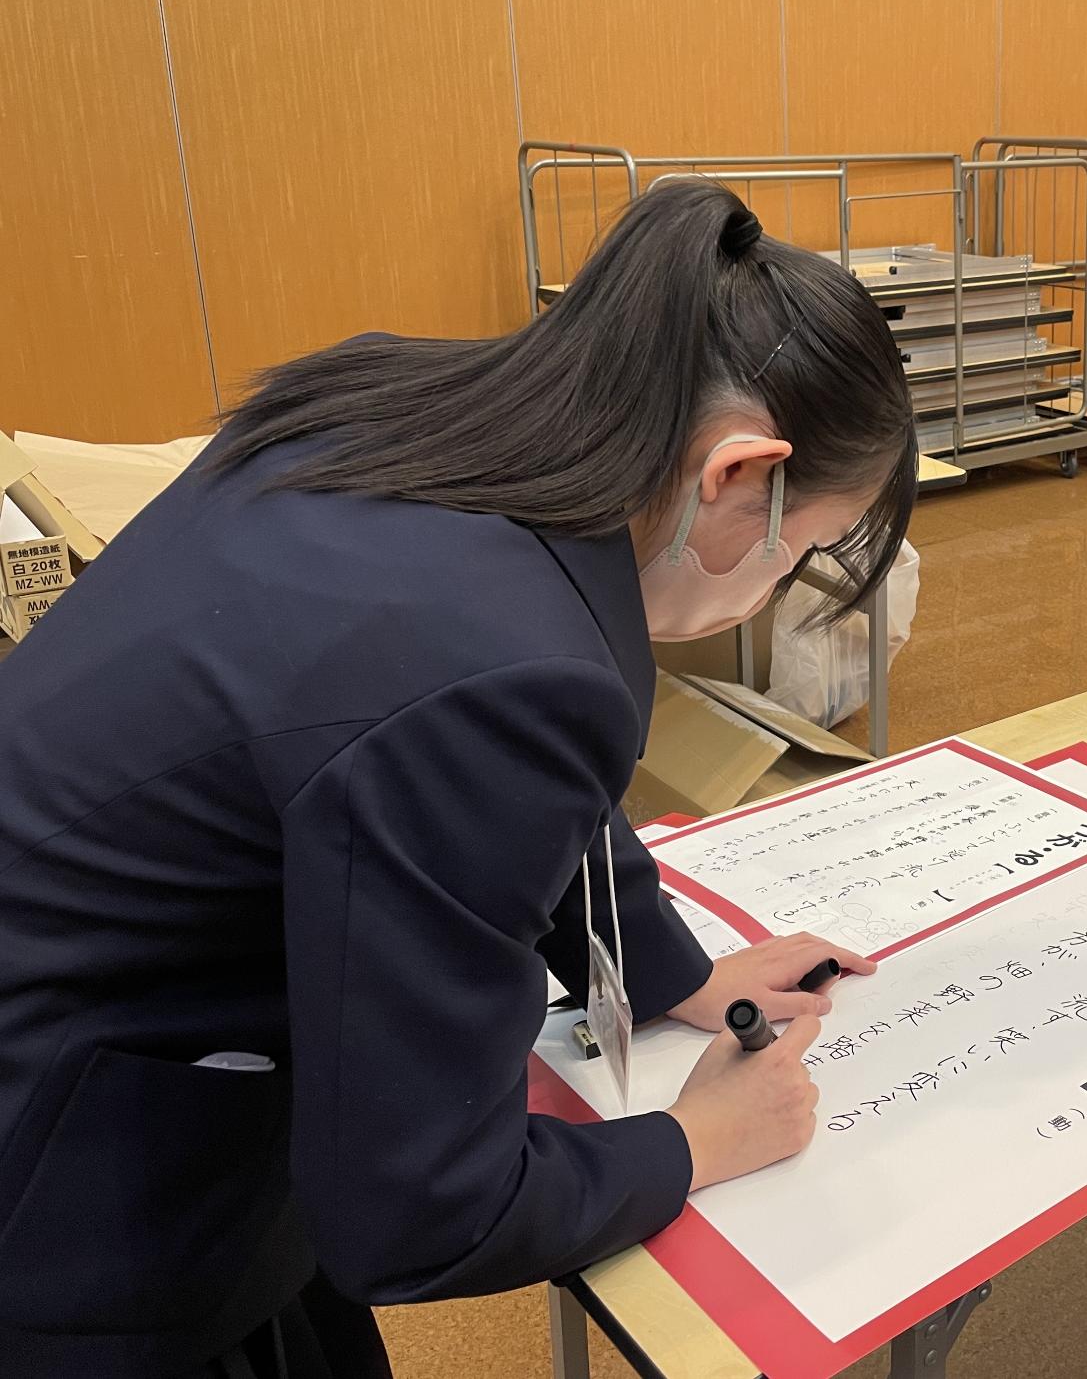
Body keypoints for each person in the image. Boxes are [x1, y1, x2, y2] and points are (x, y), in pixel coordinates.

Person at [0, 180, 917, 1377]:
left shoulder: (398, 410)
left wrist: (671, 974)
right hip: (68, 1188)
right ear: (739, 477)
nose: (771, 585)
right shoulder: (508, 665)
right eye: (796, 552)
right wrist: (692, 1143)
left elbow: (484, 781)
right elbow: (421, 1210)